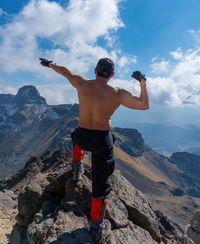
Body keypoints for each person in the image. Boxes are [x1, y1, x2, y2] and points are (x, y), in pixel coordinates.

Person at [39, 57, 149, 243]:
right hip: (101, 141)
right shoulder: (117, 93)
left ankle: (77, 167)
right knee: (100, 183)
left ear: (95, 71)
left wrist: (50, 64)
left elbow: (66, 72)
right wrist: (143, 83)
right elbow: (144, 105)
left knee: (75, 136)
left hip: (83, 136)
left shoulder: (82, 83)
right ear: (112, 75)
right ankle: (97, 226)